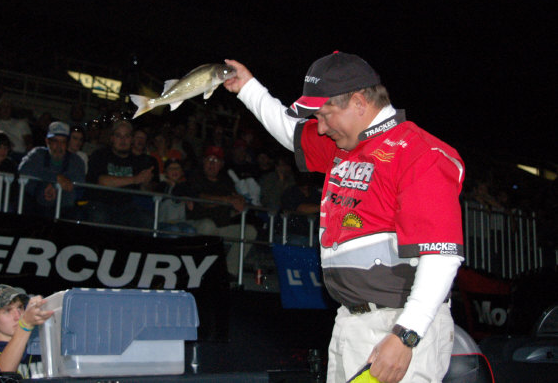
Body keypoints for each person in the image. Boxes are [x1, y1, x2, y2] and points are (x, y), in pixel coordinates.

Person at [223, 52, 465, 383]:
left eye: (325, 115)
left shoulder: (421, 154)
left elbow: (440, 257)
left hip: (396, 327)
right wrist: (248, 87)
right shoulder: (345, 143)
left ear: (359, 102)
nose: (320, 128)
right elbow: (290, 130)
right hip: (350, 322)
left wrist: (406, 335)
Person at [186, 145, 257, 278]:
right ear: (203, 161)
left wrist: (240, 201)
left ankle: (229, 271)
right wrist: (226, 200)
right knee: (208, 225)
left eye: (216, 160)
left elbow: (236, 199)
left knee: (249, 231)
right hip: (197, 224)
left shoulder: (226, 181)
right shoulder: (195, 176)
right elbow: (202, 199)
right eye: (209, 159)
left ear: (221, 164)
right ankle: (203, 270)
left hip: (222, 226)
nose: (212, 164)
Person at [0, 284, 53, 378]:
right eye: (7, 310)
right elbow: (4, 374)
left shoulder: (41, 344)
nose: (18, 316)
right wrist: (25, 325)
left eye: (20, 307)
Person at [84, 119, 154, 228]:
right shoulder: (100, 155)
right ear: (112, 138)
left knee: (147, 220)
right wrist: (135, 179)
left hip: (126, 207)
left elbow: (143, 189)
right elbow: (102, 181)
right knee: (100, 217)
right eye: (118, 136)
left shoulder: (136, 161)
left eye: (127, 136)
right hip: (100, 203)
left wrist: (145, 182)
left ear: (131, 139)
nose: (123, 140)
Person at [18, 121, 85, 219]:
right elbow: (23, 170)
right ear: (47, 141)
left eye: (63, 142)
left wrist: (54, 186)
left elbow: (79, 181)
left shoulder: (76, 161)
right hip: (35, 209)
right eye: (55, 141)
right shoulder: (37, 154)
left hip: (64, 211)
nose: (59, 146)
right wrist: (56, 178)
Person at [0, 97, 33, 163]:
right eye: (3, 107)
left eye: (8, 107)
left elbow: (28, 141)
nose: (6, 109)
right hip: (1, 154)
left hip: (20, 156)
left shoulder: (22, 123)